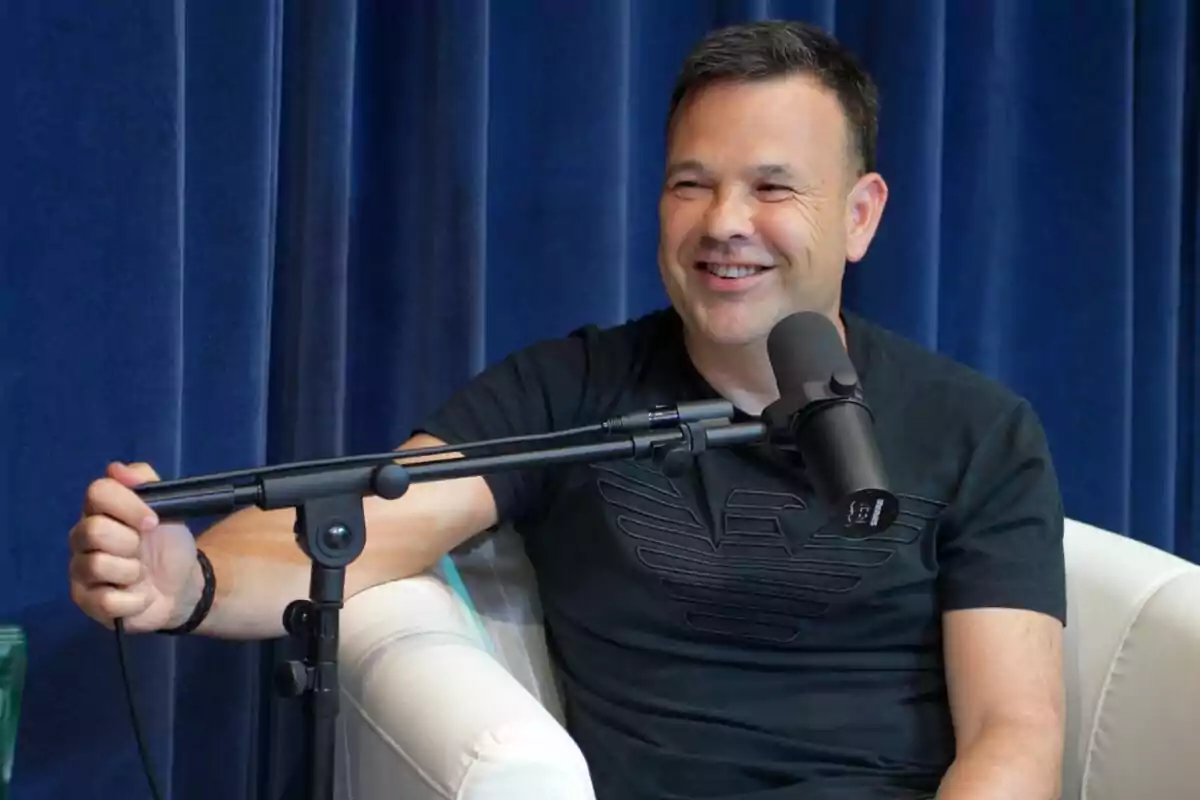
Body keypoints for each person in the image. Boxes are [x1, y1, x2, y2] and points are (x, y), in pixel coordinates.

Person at [69, 19, 1066, 800]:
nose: (725, 222)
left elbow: (1012, 734)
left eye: (772, 187)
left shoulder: (979, 429)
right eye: (691, 184)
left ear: (860, 215)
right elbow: (369, 518)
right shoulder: (575, 391)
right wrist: (186, 580)